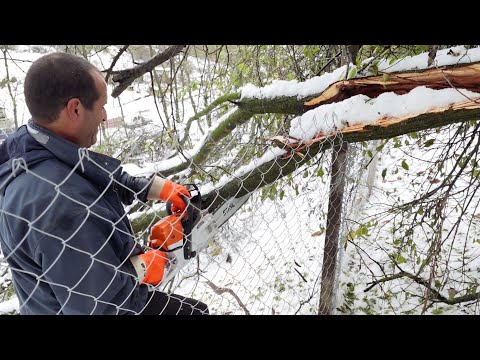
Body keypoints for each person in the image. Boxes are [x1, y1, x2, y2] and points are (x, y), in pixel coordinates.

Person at [0, 52, 209, 315]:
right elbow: (97, 305)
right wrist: (143, 266)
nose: (104, 116)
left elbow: (88, 169)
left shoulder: (32, 146)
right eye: (101, 106)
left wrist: (154, 189)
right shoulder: (59, 205)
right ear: (75, 109)